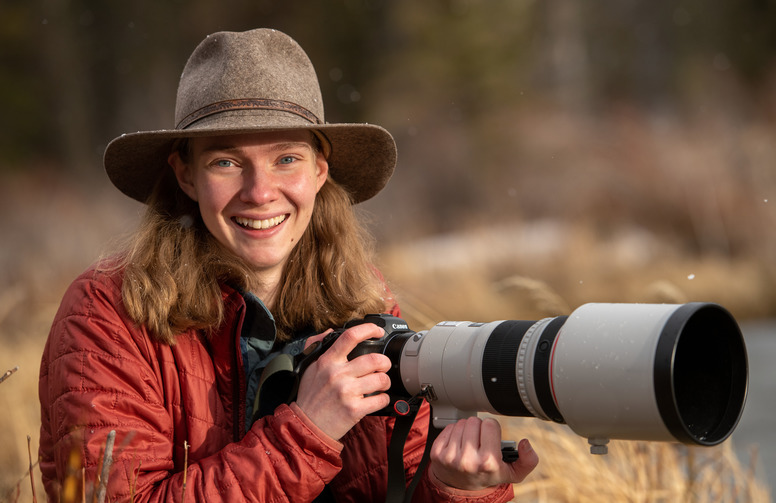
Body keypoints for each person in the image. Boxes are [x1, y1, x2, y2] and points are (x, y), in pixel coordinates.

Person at [38, 28, 538, 502]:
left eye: (286, 159)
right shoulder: (108, 314)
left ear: (320, 169)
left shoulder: (360, 299)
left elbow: (395, 486)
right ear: (185, 176)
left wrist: (457, 489)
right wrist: (306, 432)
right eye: (226, 162)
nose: (259, 193)